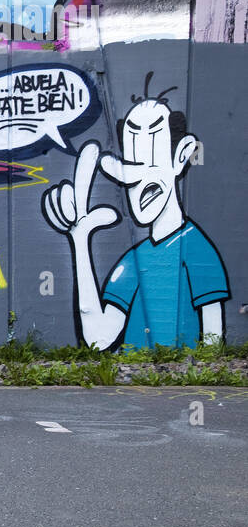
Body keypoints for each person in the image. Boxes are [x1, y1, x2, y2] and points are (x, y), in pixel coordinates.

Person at [42, 76, 229, 350]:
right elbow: (98, 338)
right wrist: (79, 240)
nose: (140, 180)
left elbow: (213, 341)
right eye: (131, 165)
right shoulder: (132, 261)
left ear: (180, 156)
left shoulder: (197, 250)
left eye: (152, 157)